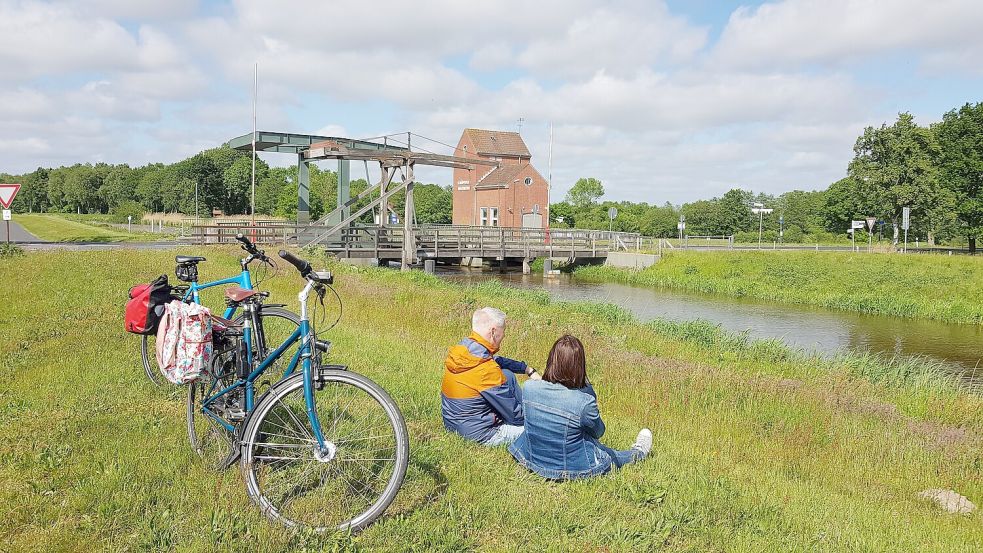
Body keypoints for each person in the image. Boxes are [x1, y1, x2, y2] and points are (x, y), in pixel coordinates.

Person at [509, 334, 652, 480]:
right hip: (570, 467)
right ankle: (639, 452)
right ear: (579, 365)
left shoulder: (529, 387)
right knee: (612, 456)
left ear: (551, 360)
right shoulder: (584, 401)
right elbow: (598, 432)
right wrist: (589, 394)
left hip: (530, 457)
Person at [442, 307, 541, 446]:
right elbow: (515, 416)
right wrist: (541, 415)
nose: (504, 336)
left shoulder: (464, 351)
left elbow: (497, 360)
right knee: (541, 432)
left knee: (507, 374)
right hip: (480, 433)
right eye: (503, 331)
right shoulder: (486, 370)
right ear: (493, 332)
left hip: (453, 424)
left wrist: (527, 369)